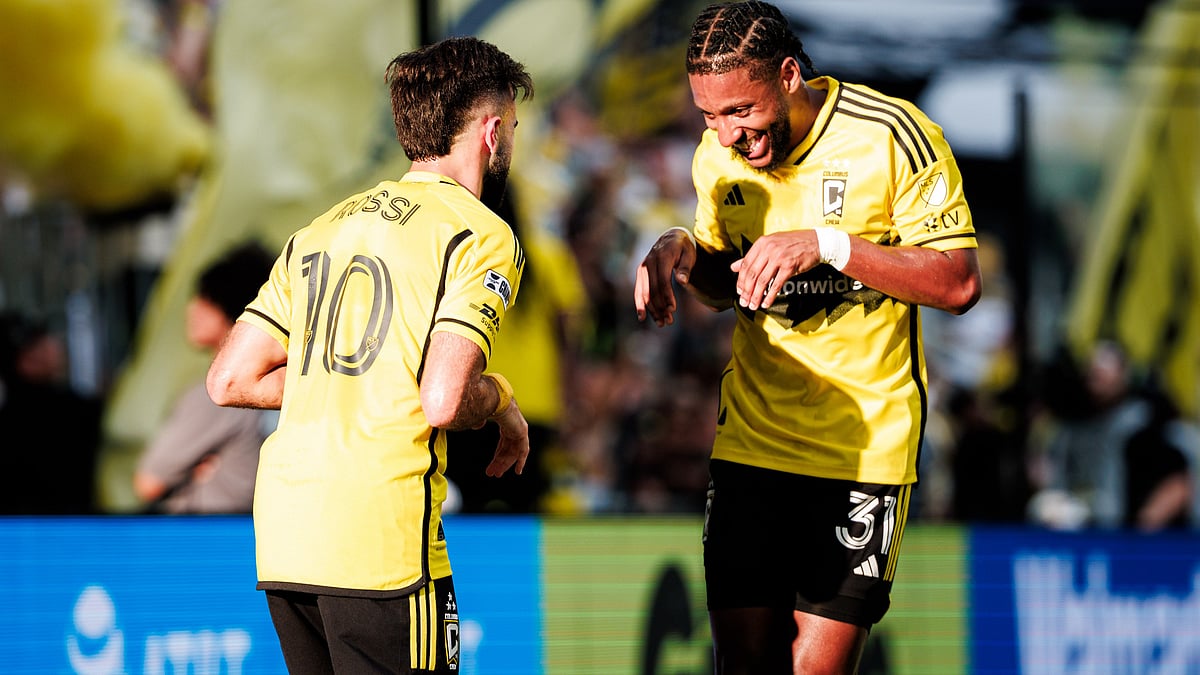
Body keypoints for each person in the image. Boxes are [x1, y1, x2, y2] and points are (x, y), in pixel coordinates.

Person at [633, 3, 982, 673]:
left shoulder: (891, 135)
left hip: (862, 454)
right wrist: (684, 253)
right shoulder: (718, 160)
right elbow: (727, 280)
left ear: (789, 74)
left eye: (739, 111)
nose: (726, 134)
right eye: (708, 115)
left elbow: (959, 283)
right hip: (752, 445)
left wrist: (828, 246)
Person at [205, 37, 533, 674]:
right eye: (514, 128)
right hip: (379, 540)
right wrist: (500, 399)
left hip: (286, 535)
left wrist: (346, 381)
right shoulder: (481, 233)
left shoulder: (323, 226)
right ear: (491, 132)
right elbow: (442, 400)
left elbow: (230, 379)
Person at [132, 243, 274, 514]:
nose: (191, 309)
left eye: (204, 298)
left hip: (203, 541)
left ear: (230, 310)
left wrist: (183, 473)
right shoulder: (277, 383)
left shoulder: (217, 395)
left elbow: (147, 482)